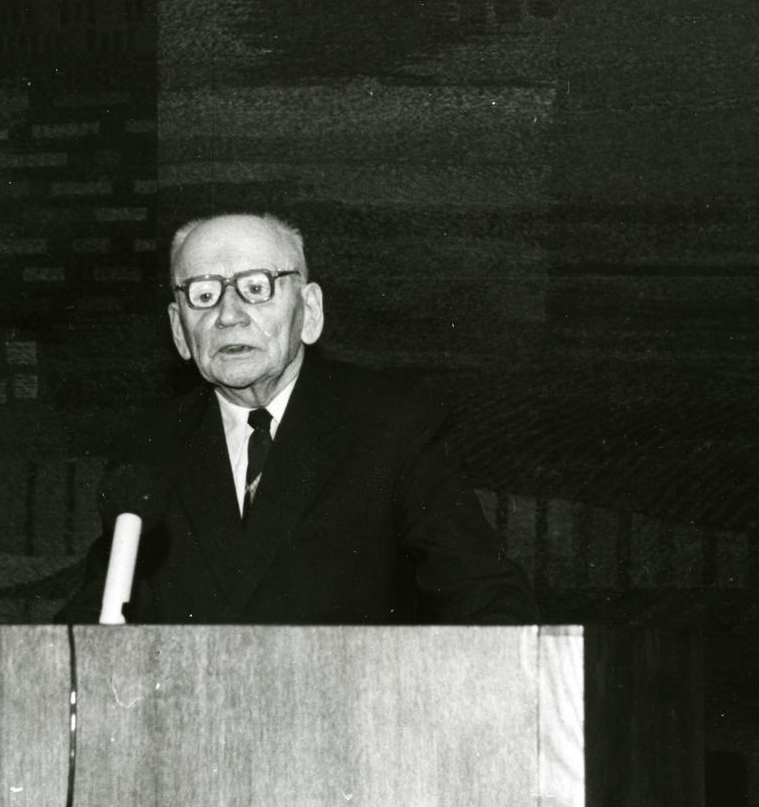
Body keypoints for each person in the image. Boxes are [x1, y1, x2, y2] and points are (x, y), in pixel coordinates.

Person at [57, 212, 537, 625]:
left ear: (308, 311)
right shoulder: (151, 444)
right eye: (202, 295)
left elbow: (484, 596)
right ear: (179, 332)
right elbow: (99, 611)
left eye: (255, 288)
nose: (228, 315)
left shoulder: (393, 423)